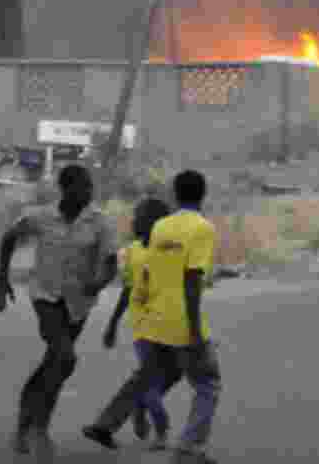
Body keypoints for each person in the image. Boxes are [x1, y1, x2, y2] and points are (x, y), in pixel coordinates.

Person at [83, 170, 223, 463]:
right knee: (207, 384)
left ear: (175, 193)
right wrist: (196, 329)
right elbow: (192, 279)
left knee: (148, 375)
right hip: (182, 323)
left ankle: (109, 423)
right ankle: (188, 447)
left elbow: (151, 277)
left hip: (156, 324)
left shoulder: (161, 229)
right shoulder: (203, 228)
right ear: (203, 193)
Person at [0, 164, 120, 463]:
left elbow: (112, 262)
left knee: (54, 363)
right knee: (64, 357)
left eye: (90, 187)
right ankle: (40, 429)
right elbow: (9, 238)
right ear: (66, 189)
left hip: (78, 303)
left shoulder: (100, 221)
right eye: (83, 187)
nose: (89, 193)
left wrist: (99, 282)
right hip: (45, 296)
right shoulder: (41, 216)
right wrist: (1, 280)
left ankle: (24, 424)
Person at [98, 197, 183, 451]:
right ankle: (161, 428)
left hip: (173, 325)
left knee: (172, 374)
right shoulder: (132, 252)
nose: (133, 221)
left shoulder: (171, 251)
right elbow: (127, 290)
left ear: (156, 224)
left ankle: (142, 405)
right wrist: (113, 323)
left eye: (139, 217)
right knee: (149, 380)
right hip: (145, 330)